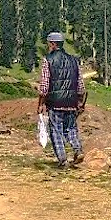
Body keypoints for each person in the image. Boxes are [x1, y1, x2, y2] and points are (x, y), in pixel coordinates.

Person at [37, 31, 87, 168]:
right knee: (71, 129)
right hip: (71, 102)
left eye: (48, 44)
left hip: (55, 103)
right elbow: (81, 86)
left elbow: (44, 86)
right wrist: (80, 101)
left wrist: (41, 103)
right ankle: (77, 150)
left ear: (52, 44)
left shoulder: (48, 60)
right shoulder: (74, 60)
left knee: (56, 131)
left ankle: (63, 160)